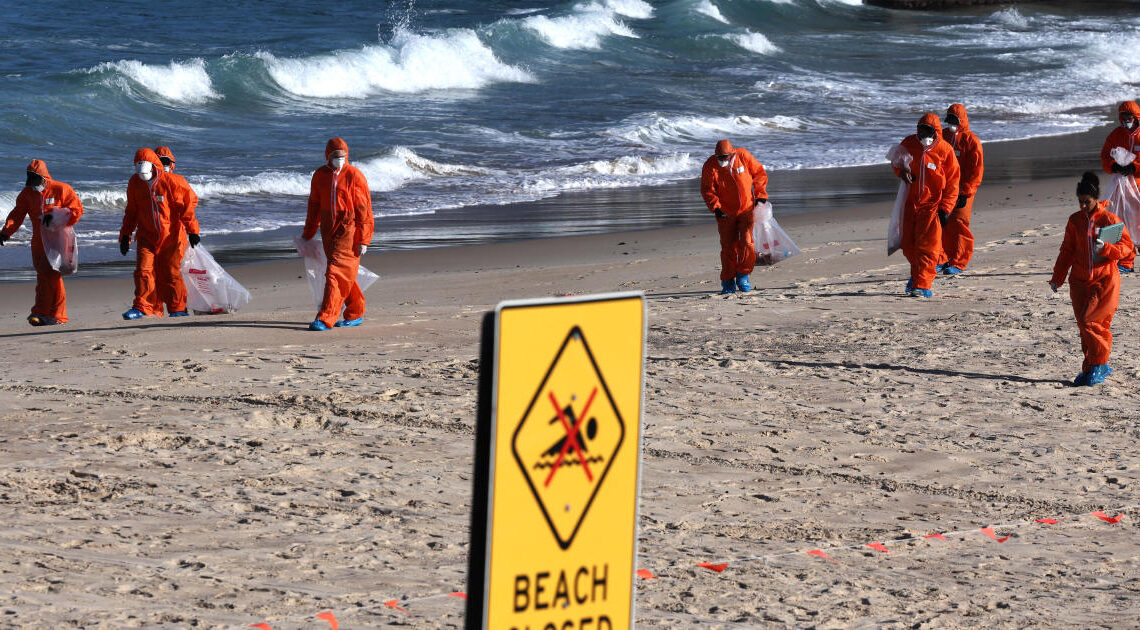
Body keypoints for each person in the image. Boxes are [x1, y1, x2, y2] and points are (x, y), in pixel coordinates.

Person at [1050, 172, 1133, 386]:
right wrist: (1057, 278)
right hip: (1078, 281)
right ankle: (1089, 367)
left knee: (1091, 323)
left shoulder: (1109, 219)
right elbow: (1067, 250)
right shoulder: (1074, 220)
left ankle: (1100, 364)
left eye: (1087, 202)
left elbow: (1127, 249)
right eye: (1080, 202)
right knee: (1083, 327)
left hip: (1104, 281)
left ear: (1095, 199)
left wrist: (1106, 248)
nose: (1083, 206)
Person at [301, 138, 374, 331]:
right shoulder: (320, 176)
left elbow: (364, 209)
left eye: (342, 156)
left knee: (335, 273)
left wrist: (365, 239)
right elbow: (314, 206)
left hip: (349, 231)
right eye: (335, 156)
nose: (339, 159)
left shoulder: (354, 175)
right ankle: (356, 312)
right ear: (328, 156)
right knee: (343, 274)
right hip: (328, 231)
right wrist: (308, 233)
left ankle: (325, 318)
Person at [119, 147, 200, 319]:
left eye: (166, 162)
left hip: (172, 236)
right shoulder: (135, 183)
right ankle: (144, 307)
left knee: (171, 273)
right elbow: (131, 211)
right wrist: (125, 235)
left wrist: (193, 231)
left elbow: (187, 207)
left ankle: (177, 309)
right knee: (143, 271)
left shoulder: (174, 182)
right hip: (146, 236)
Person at [0, 160, 84, 326]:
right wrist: (5, 232)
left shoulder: (61, 189)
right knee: (43, 277)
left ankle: (45, 313)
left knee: (51, 276)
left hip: (58, 241)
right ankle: (50, 314)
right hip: (38, 242)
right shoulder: (26, 194)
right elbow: (16, 215)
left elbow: (77, 210)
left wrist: (55, 216)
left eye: (34, 179)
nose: (32, 183)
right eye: (29, 179)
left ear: (44, 178)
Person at [891, 113, 960, 297]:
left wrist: (946, 207)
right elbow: (896, 159)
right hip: (911, 204)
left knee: (928, 248)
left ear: (936, 132)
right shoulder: (909, 143)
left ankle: (923, 284)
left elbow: (953, 181)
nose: (924, 135)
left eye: (929, 132)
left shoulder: (945, 151)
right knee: (908, 245)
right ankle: (917, 276)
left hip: (932, 206)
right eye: (921, 131)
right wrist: (901, 172)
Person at [700, 139, 768, 294]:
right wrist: (715, 208)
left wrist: (761, 195)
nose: (723, 160)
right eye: (720, 157)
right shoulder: (710, 165)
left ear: (731, 153)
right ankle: (728, 281)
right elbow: (707, 190)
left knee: (747, 243)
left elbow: (759, 173)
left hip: (746, 210)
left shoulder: (743, 156)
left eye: (725, 156)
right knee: (728, 248)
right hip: (725, 214)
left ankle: (743, 275)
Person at [937, 104, 984, 275]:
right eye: (948, 119)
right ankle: (941, 259)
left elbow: (976, 170)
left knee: (959, 223)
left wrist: (966, 192)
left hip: (963, 189)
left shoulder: (971, 141)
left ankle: (959, 262)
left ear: (961, 120)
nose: (950, 123)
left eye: (954, 120)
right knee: (941, 222)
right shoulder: (942, 136)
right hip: (944, 187)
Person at [1099, 100, 1140, 273]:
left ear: (1136, 117)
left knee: (1138, 223)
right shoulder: (1116, 134)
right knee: (1120, 221)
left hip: (1138, 185)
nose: (1126, 120)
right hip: (1120, 186)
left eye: (1129, 117)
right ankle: (1125, 262)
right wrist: (1113, 166)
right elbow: (1105, 156)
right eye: (1123, 117)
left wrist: (1134, 167)